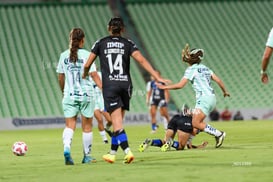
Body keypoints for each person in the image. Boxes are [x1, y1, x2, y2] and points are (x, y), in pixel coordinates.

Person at [82, 17, 169, 164]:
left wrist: (84, 74)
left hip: (110, 86)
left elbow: (87, 64)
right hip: (126, 86)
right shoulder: (128, 43)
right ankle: (112, 153)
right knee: (118, 122)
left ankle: (128, 152)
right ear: (122, 29)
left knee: (117, 123)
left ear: (109, 28)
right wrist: (156, 77)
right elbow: (141, 60)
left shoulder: (100, 43)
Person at [157, 44, 230, 148]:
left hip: (204, 99)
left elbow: (180, 85)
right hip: (212, 99)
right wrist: (224, 91)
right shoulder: (205, 68)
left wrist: (164, 87)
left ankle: (219, 134)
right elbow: (218, 80)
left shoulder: (191, 70)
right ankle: (189, 143)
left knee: (195, 123)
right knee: (196, 123)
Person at [56, 28, 102, 165]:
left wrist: (63, 91)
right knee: (87, 127)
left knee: (70, 125)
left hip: (69, 95)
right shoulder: (88, 55)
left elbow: (60, 77)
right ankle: (87, 156)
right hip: (87, 95)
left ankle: (67, 148)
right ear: (83, 40)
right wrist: (103, 88)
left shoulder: (63, 56)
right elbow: (94, 74)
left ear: (70, 39)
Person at [139, 113, 208, 152]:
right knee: (180, 147)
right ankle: (171, 142)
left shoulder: (195, 120)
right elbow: (189, 146)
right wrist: (200, 146)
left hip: (175, 118)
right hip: (185, 122)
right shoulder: (195, 126)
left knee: (165, 141)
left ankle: (150, 142)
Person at [92, 71, 112, 144]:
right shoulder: (85, 76)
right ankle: (105, 139)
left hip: (102, 100)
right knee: (99, 120)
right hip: (93, 101)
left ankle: (107, 128)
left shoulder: (100, 74)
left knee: (110, 120)